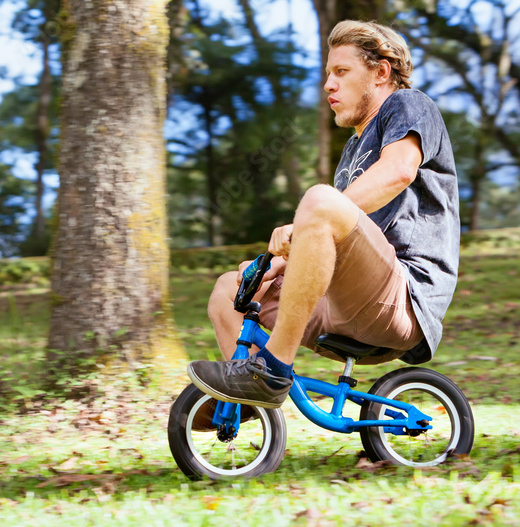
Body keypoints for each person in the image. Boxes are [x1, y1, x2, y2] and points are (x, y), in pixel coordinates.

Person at [187, 19, 460, 415]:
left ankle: (273, 370)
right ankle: (246, 401)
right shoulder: (352, 151)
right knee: (232, 288)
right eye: (327, 74)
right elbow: (335, 240)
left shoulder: (409, 105)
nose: (328, 85)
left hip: (404, 298)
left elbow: (399, 171)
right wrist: (277, 266)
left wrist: (306, 223)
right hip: (348, 303)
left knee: (320, 199)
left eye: (341, 72)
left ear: (381, 72)